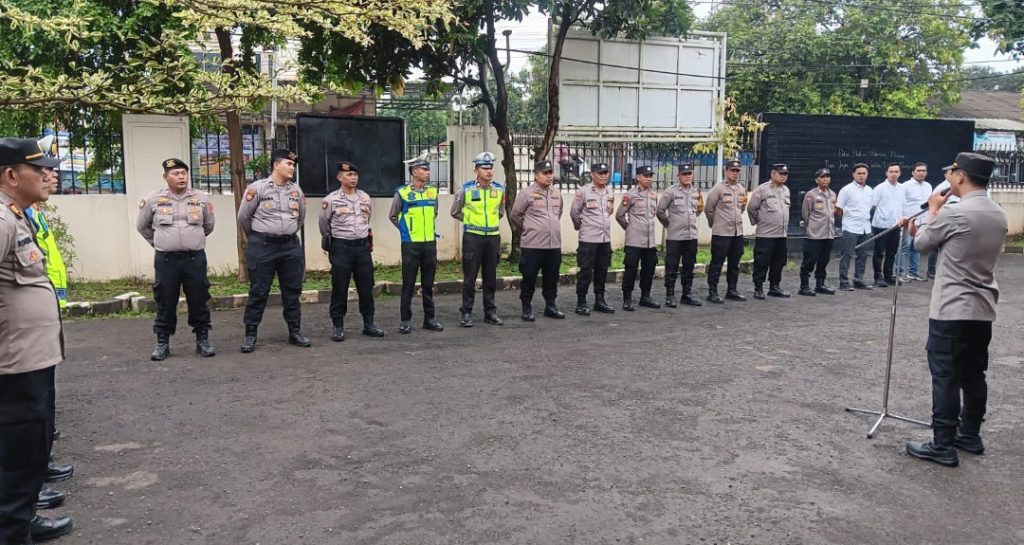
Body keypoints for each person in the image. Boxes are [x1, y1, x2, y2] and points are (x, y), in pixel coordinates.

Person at [905, 152, 1007, 468]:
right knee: (973, 374)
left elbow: (922, 244)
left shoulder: (954, 212)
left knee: (945, 376)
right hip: (982, 308)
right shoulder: (998, 214)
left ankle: (943, 444)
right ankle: (970, 435)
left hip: (951, 308)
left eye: (951, 172)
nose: (947, 177)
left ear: (960, 176)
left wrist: (933, 210)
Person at [0, 137, 74, 544]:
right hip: (13, 363)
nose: (49, 175)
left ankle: (22, 518)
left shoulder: (18, 215)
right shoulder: (2, 220)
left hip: (31, 360)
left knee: (30, 453)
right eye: (40, 169)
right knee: (16, 457)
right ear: (12, 175)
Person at [136, 158, 216, 360]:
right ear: (165, 177)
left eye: (184, 173)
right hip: (166, 260)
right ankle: (162, 343)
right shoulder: (153, 199)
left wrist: (191, 240)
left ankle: (202, 340)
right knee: (165, 300)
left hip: (194, 259)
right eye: (176, 173)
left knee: (199, 299)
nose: (181, 177)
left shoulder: (200, 198)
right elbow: (142, 226)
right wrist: (161, 242)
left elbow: (208, 225)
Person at [236, 149, 310, 352]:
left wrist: (285, 232)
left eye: (293, 165)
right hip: (263, 246)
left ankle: (295, 331)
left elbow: (300, 218)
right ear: (276, 165)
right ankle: (250, 334)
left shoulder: (296, 191)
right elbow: (243, 217)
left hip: (289, 247)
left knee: (292, 291)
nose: (292, 167)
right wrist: (258, 237)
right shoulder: (257, 188)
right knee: (259, 291)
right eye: (289, 163)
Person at [320, 161, 384, 341]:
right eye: (349, 175)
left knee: (366, 287)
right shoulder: (331, 200)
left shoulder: (365, 197)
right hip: (341, 249)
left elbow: (366, 219)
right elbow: (324, 225)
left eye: (355, 175)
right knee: (339, 288)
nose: (353, 178)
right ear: (340, 177)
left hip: (362, 248)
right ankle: (338, 326)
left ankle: (369, 324)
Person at [389, 156, 443, 334]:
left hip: (429, 244)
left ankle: (430, 319)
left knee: (428, 284)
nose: (428, 172)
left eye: (428, 169)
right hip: (410, 244)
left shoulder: (432, 192)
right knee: (408, 284)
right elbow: (393, 216)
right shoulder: (402, 193)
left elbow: (434, 213)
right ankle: (405, 320)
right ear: (414, 172)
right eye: (424, 169)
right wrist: (406, 230)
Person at [451, 151, 505, 327]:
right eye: (484, 168)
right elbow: (455, 211)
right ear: (476, 170)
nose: (489, 171)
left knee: (490, 277)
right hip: (473, 238)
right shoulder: (466, 189)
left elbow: (501, 212)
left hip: (492, 238)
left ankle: (490, 312)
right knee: (470, 277)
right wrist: (471, 221)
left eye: (491, 168)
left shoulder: (499, 189)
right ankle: (466, 312)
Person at [510, 160, 566, 321]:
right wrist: (529, 229)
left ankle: (551, 306)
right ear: (536, 175)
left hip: (553, 245)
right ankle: (526, 307)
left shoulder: (556, 193)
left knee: (552, 278)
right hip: (533, 245)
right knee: (529, 278)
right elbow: (515, 215)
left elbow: (558, 214)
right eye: (545, 173)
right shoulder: (527, 193)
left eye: (550, 173)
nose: (549, 176)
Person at [25, 137, 68, 310]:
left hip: (46, 304)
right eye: (47, 169)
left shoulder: (33, 209)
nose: (54, 174)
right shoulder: (13, 216)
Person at [570, 162, 616, 315]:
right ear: (592, 174)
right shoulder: (583, 191)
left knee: (602, 271)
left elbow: (609, 211)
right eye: (600, 173)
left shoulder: (609, 191)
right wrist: (582, 227)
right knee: (586, 272)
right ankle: (581, 302)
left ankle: (600, 301)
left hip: (604, 239)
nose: (604, 176)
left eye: (605, 173)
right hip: (588, 239)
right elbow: (574, 213)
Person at [657, 162, 703, 307]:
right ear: (678, 176)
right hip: (675, 236)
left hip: (691, 236)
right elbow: (660, 211)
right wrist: (669, 224)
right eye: (684, 174)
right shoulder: (670, 192)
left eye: (689, 174)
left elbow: (699, 209)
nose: (687, 176)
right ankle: (670, 295)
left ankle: (686, 294)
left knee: (689, 266)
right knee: (672, 266)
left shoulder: (696, 191)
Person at [703, 159, 749, 304]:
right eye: (732, 170)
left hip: (737, 233)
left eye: (737, 171)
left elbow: (742, 208)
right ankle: (712, 291)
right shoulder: (718, 189)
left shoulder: (741, 189)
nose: (735, 173)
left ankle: (732, 290)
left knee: (734, 263)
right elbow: (708, 209)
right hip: (721, 233)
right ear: (726, 171)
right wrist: (715, 224)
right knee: (717, 263)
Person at [616, 165, 661, 311]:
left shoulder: (653, 195)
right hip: (634, 241)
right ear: (638, 177)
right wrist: (629, 228)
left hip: (649, 242)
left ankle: (645, 297)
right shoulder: (630, 195)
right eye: (645, 176)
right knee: (631, 270)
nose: (649, 179)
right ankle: (627, 299)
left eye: (650, 176)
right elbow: (619, 215)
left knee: (649, 270)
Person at [746, 163, 792, 299]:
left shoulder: (786, 190)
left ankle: (774, 286)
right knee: (762, 261)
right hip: (766, 234)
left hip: (781, 234)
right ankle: (758, 288)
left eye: (785, 174)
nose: (783, 176)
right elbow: (751, 208)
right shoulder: (762, 189)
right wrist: (760, 221)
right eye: (781, 173)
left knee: (779, 262)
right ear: (773, 174)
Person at [798, 168, 838, 296]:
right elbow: (805, 214)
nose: (826, 179)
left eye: (828, 177)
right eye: (822, 177)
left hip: (828, 234)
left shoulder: (832, 194)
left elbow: (832, 213)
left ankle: (820, 284)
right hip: (814, 235)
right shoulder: (811, 195)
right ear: (817, 180)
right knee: (809, 261)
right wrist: (810, 229)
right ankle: (804, 286)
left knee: (824, 261)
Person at [835, 163, 874, 291]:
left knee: (863, 255)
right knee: (847, 255)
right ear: (853, 174)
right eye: (859, 173)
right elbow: (839, 208)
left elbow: (870, 207)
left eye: (864, 173)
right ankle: (844, 282)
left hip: (865, 227)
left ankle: (858, 280)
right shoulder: (846, 190)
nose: (862, 176)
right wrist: (846, 220)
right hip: (851, 227)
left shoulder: (870, 190)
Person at [870, 163, 904, 288]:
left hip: (896, 225)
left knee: (892, 252)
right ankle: (878, 277)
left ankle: (888, 275)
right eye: (891, 171)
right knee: (879, 252)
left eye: (896, 171)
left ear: (900, 173)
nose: (894, 174)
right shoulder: (880, 188)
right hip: (881, 224)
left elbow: (902, 205)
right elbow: (872, 206)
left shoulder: (902, 188)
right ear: (886, 173)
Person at [898, 162, 932, 282]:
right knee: (904, 248)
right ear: (913, 172)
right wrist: (903, 219)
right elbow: (900, 203)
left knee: (917, 247)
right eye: (918, 170)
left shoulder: (928, 186)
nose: (921, 173)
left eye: (923, 171)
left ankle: (914, 272)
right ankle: (900, 273)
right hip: (909, 221)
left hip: (923, 221)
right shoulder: (905, 186)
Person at [926, 171, 961, 279]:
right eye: (950, 173)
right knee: (935, 246)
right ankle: (931, 270)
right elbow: (934, 203)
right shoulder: (941, 187)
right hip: (942, 219)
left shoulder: (960, 186)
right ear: (945, 175)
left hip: (957, 220)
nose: (952, 175)